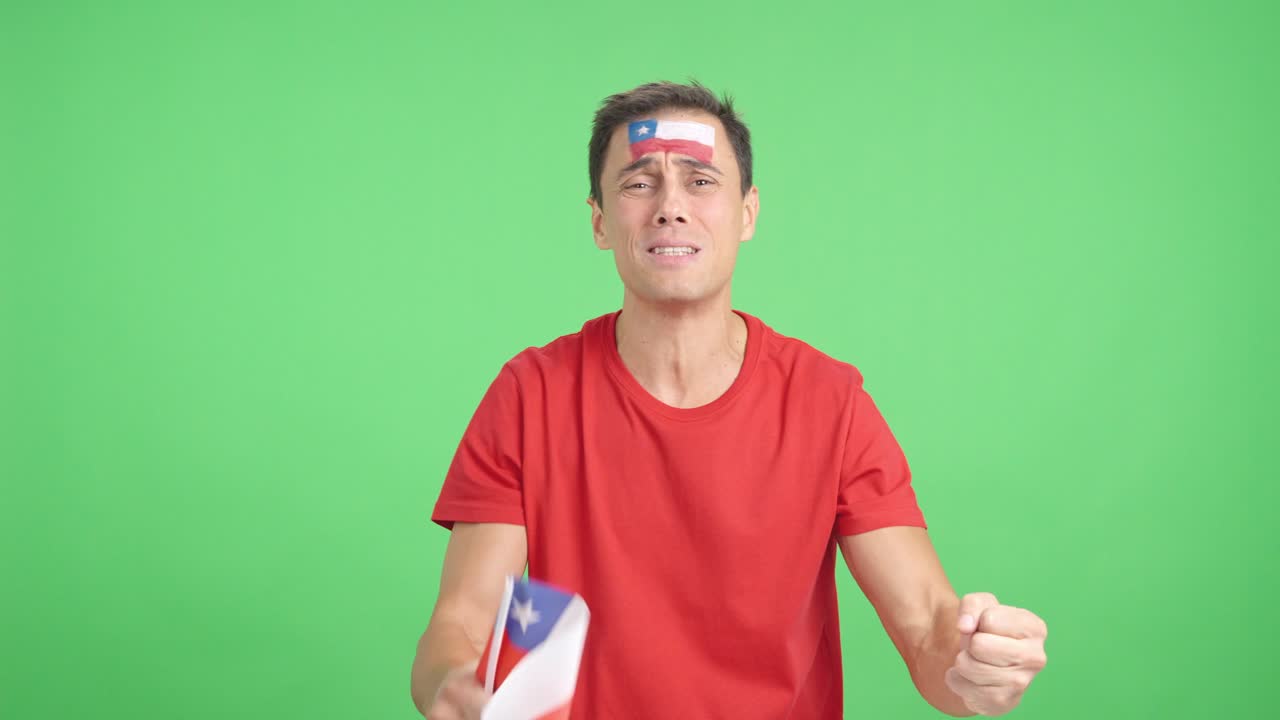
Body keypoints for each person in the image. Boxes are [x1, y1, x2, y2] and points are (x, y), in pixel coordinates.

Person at [409, 80, 1048, 719]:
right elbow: (462, 620)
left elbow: (928, 629)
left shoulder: (832, 403)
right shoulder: (529, 396)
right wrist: (453, 688)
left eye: (702, 181)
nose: (669, 207)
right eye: (637, 183)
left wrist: (971, 665)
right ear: (600, 221)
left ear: (747, 212)